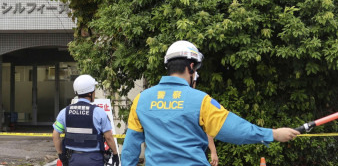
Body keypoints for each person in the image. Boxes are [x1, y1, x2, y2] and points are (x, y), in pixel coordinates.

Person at [121, 40, 300, 166]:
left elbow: (130, 148)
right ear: (191, 67)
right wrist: (272, 134)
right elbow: (234, 129)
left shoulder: (141, 100)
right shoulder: (200, 101)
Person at [52, 74, 120, 166]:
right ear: (89, 93)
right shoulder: (99, 112)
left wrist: (61, 155)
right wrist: (115, 154)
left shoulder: (64, 112)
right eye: (94, 90)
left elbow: (55, 135)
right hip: (94, 159)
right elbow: (108, 137)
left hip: (73, 159)